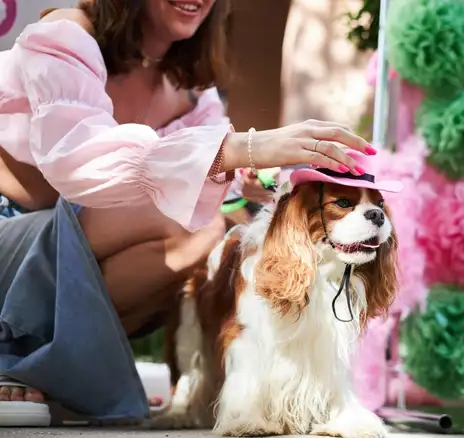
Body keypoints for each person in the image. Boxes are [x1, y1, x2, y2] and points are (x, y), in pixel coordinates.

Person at [0, 0, 376, 426]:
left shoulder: (193, 89)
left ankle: (41, 366)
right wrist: (241, 149)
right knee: (190, 224)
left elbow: (209, 179)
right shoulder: (66, 35)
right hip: (11, 235)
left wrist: (251, 178)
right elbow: (77, 159)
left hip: (69, 250)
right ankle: (15, 351)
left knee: (210, 239)